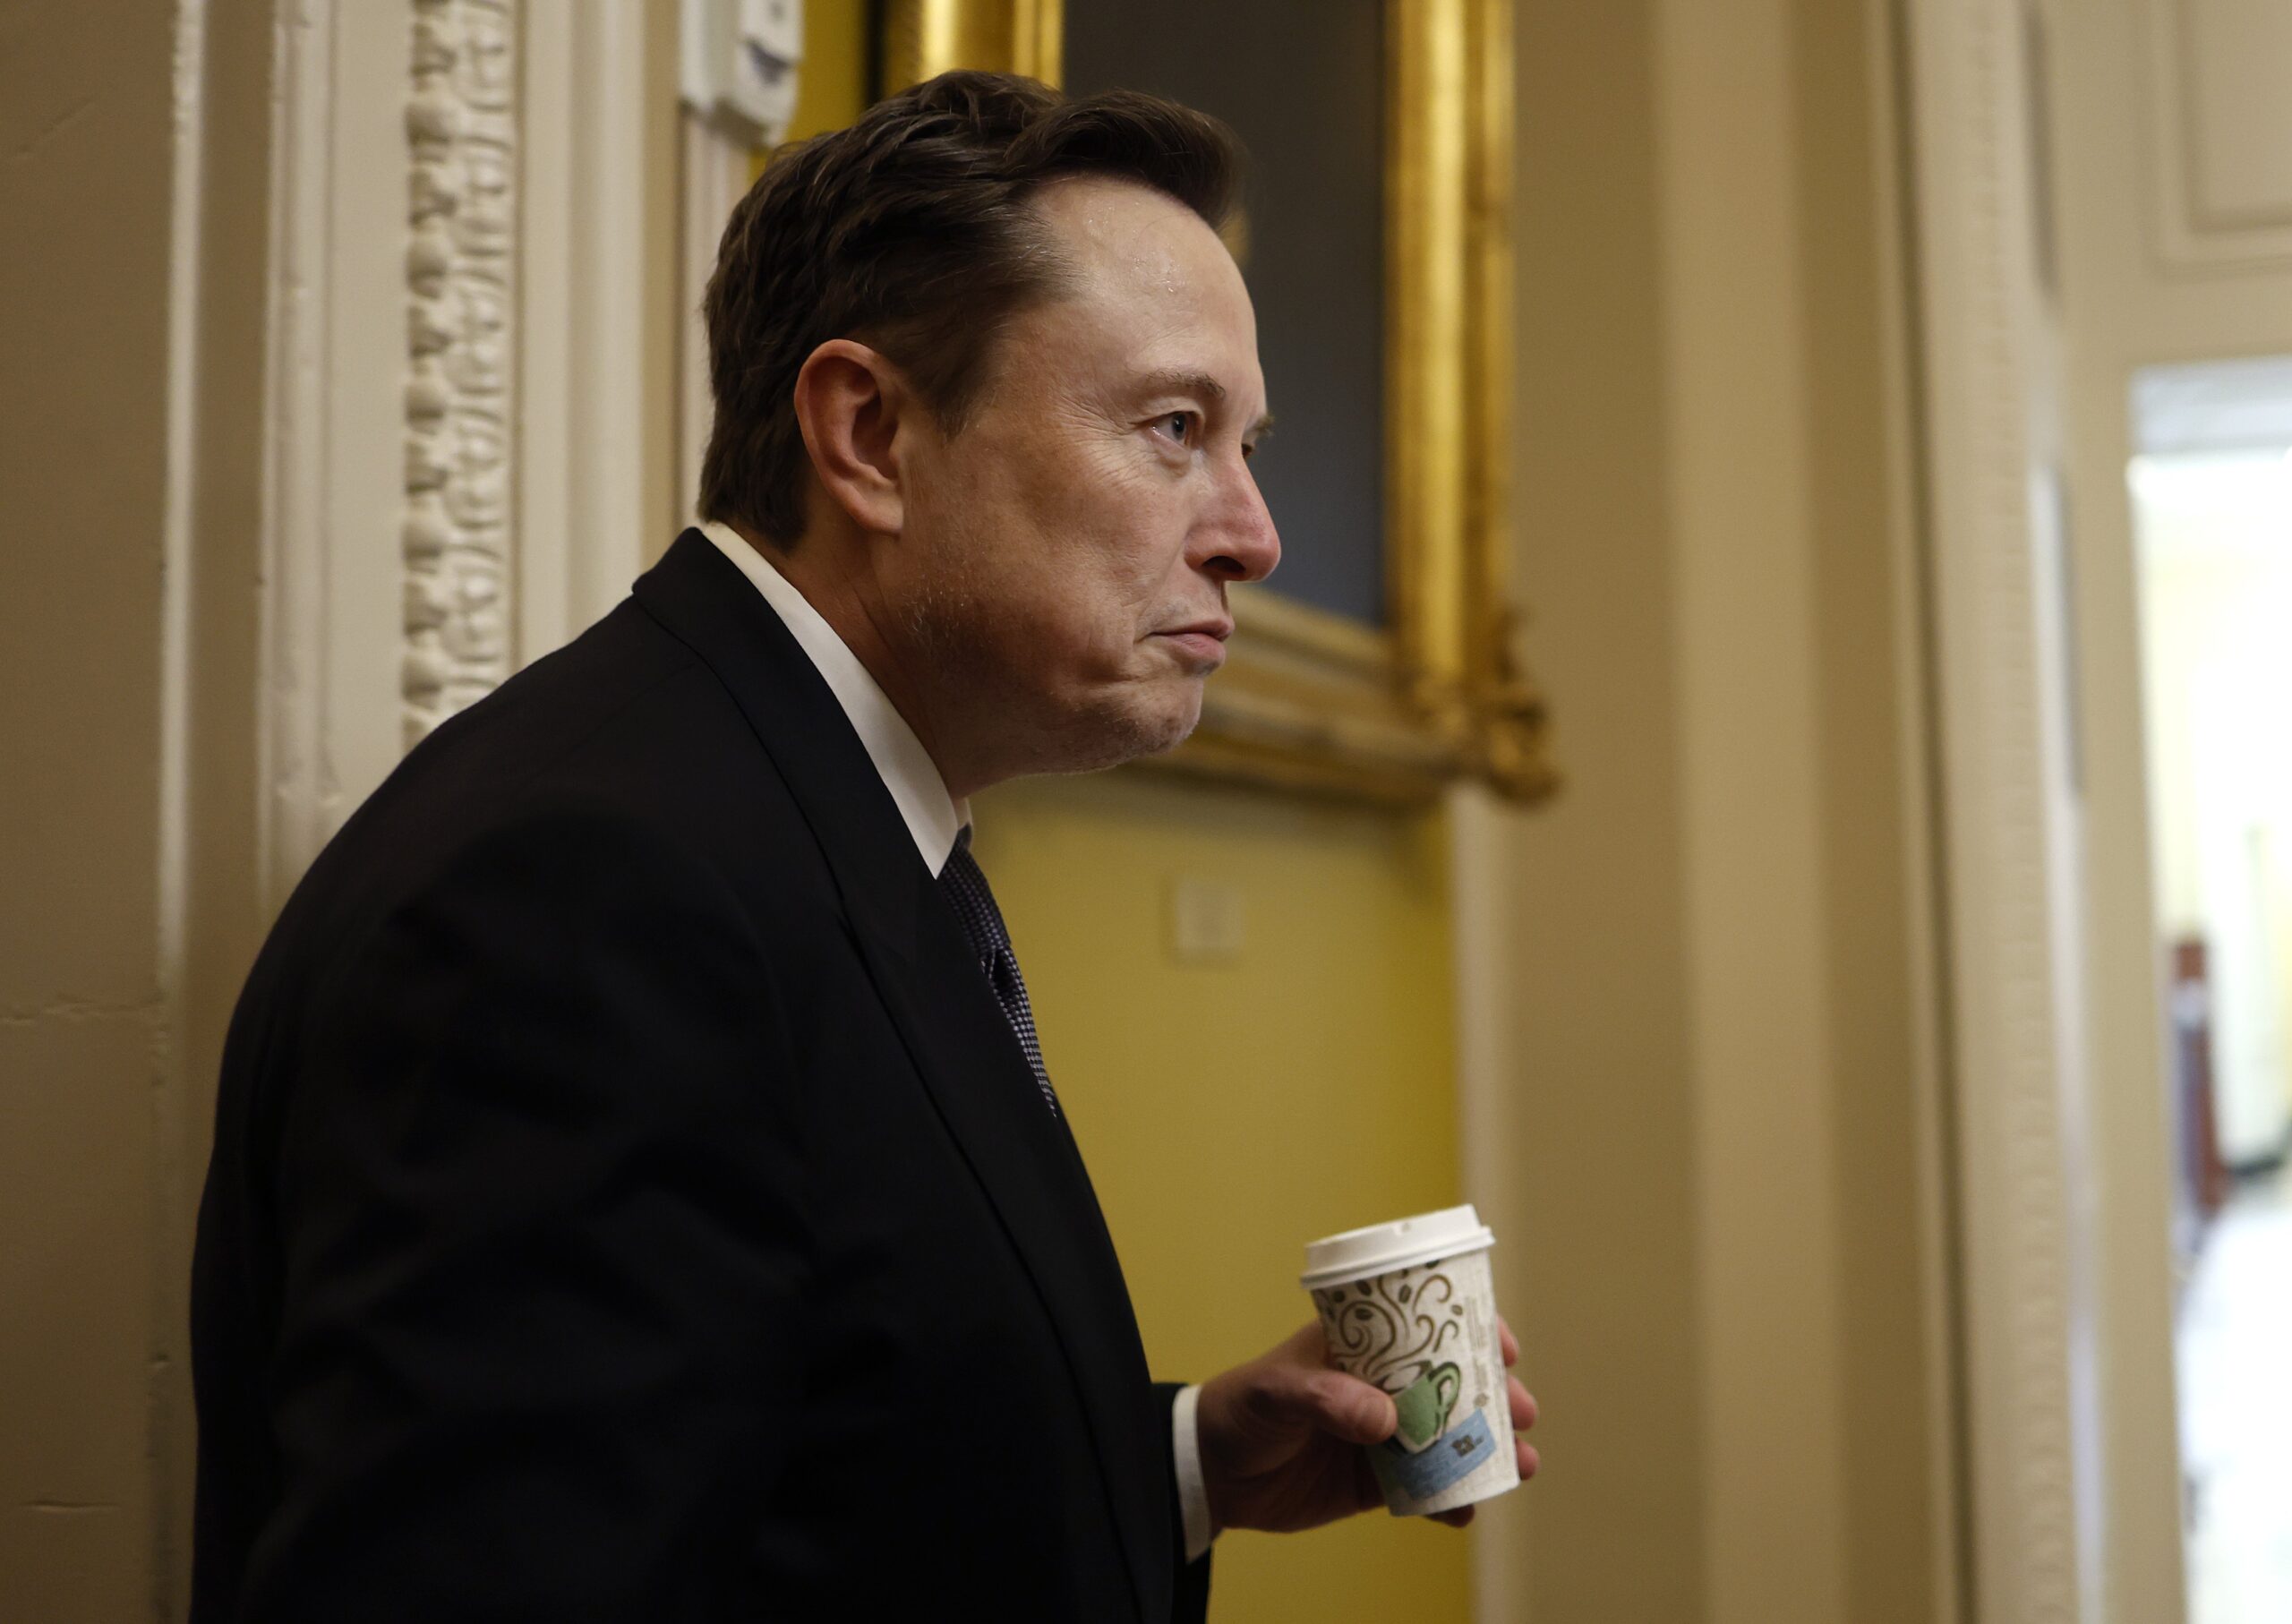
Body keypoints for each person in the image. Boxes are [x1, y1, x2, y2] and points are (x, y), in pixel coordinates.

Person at [189, 70, 1538, 1621]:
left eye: (1245, 440)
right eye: (1176, 428)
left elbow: (804, 1455)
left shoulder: (805, 804)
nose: (1253, 530)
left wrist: (1172, 1465)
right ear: (871, 432)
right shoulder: (587, 889)